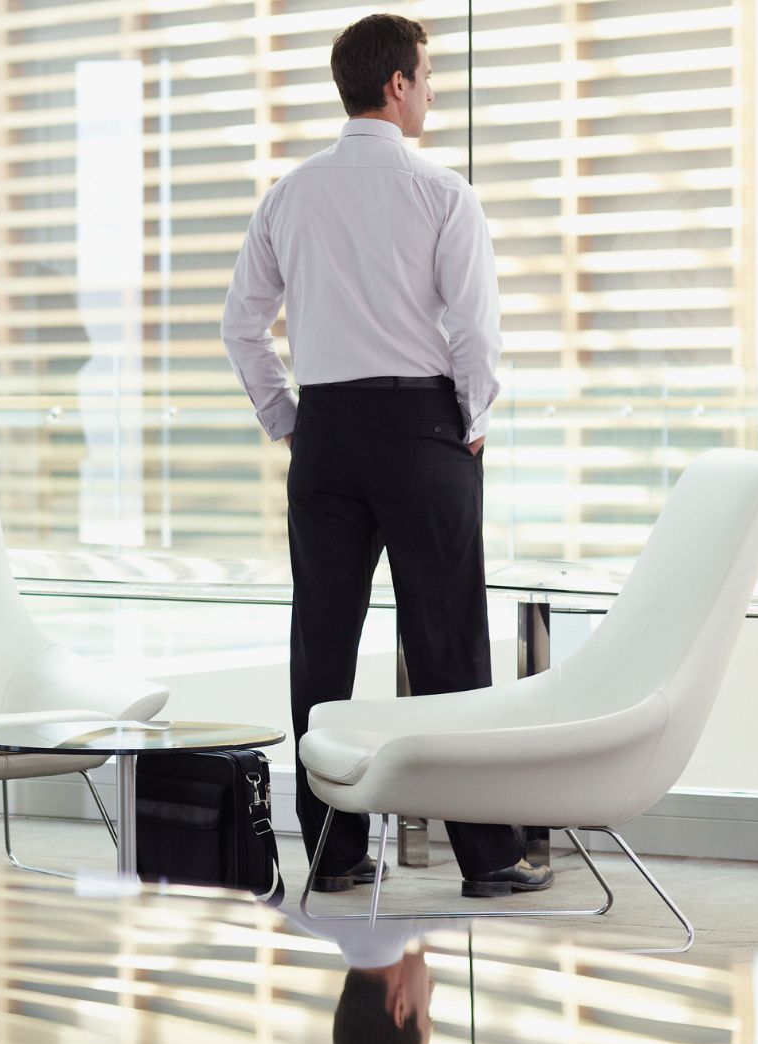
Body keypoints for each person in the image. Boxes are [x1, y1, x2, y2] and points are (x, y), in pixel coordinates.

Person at [220, 13, 551, 898]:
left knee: (320, 647)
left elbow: (240, 325)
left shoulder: (289, 194)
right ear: (397, 85)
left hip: (326, 433)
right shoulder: (443, 192)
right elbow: (474, 330)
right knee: (446, 645)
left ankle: (331, 855)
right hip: (421, 432)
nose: (433, 91)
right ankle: (487, 858)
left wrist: (289, 418)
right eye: (428, 76)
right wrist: (472, 415)